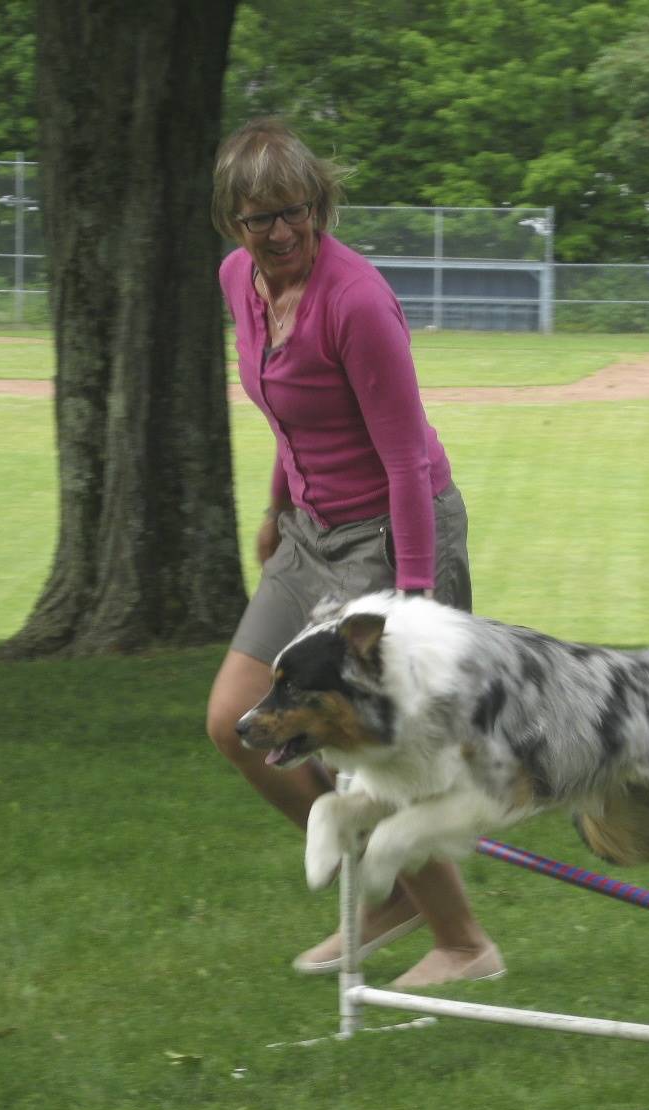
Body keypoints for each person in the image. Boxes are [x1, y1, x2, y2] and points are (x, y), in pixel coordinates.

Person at [204, 116, 503, 988]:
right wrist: (272, 507)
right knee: (235, 721)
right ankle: (391, 886)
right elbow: (289, 412)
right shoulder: (239, 282)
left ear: (319, 203)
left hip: (391, 535)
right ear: (235, 223)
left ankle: (461, 942)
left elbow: (407, 460)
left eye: (298, 211)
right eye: (262, 219)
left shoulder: (357, 299)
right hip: (309, 533)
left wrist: (408, 607)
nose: (285, 232)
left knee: (368, 749)